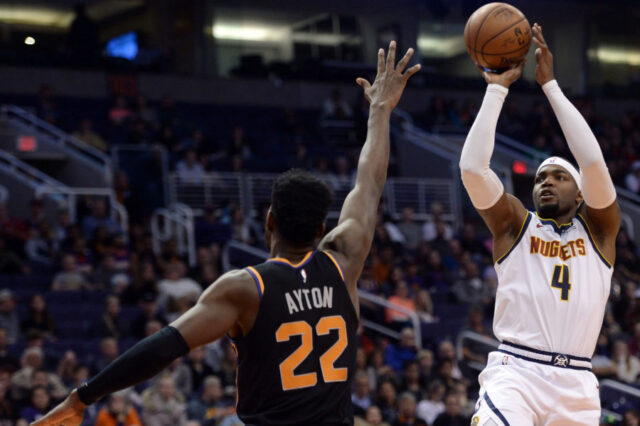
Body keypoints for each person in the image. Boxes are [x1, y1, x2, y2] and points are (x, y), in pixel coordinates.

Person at [32, 41, 421, 426]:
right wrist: (380, 110)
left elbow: (163, 347)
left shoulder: (245, 288)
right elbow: (370, 181)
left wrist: (82, 396)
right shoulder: (345, 261)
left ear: (269, 220)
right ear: (322, 228)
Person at [460, 24, 620, 425]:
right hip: (518, 372)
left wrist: (550, 86)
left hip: (579, 383)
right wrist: (496, 89)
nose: (545, 181)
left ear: (580, 194)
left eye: (558, 177)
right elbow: (472, 170)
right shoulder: (515, 225)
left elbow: (594, 164)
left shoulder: (600, 232)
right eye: (539, 178)